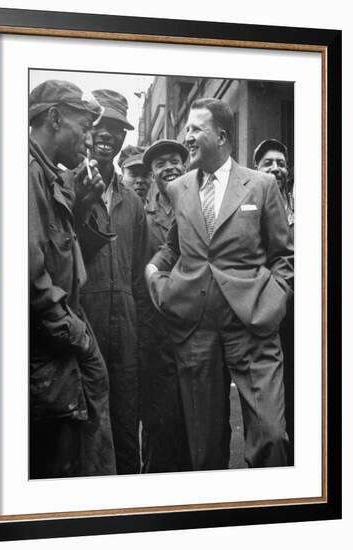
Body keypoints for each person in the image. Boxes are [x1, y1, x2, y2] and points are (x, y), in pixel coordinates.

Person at [146, 98, 294, 470]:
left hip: (254, 328)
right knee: (204, 452)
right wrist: (155, 274)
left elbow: (283, 256)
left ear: (222, 136)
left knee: (272, 438)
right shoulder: (179, 188)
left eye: (196, 129)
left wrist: (274, 300)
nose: (187, 137)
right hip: (195, 332)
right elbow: (173, 245)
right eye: (188, 129)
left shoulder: (260, 185)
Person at [28, 79, 116, 478]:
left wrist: (80, 205)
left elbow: (59, 250)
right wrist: (74, 332)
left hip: (59, 335)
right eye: (82, 127)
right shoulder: (27, 174)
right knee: (58, 466)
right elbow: (28, 273)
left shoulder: (47, 175)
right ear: (54, 118)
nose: (87, 138)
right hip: (51, 343)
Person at [76, 89, 151, 474]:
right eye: (101, 126)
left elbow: (140, 277)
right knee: (88, 429)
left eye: (116, 129)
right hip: (83, 324)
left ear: (123, 138)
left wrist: (140, 332)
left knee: (125, 425)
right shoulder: (68, 185)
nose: (107, 135)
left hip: (127, 329)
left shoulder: (133, 203)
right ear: (88, 130)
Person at [139, 139, 191, 472]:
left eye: (174, 160)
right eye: (161, 164)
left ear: (185, 166)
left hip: (194, 330)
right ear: (153, 173)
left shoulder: (201, 202)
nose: (169, 167)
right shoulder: (140, 212)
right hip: (154, 335)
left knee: (195, 425)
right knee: (159, 426)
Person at [254, 138, 295, 464]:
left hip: (303, 327)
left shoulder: (306, 208)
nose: (275, 169)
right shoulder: (248, 208)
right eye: (268, 163)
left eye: (280, 164)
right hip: (266, 326)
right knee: (270, 420)